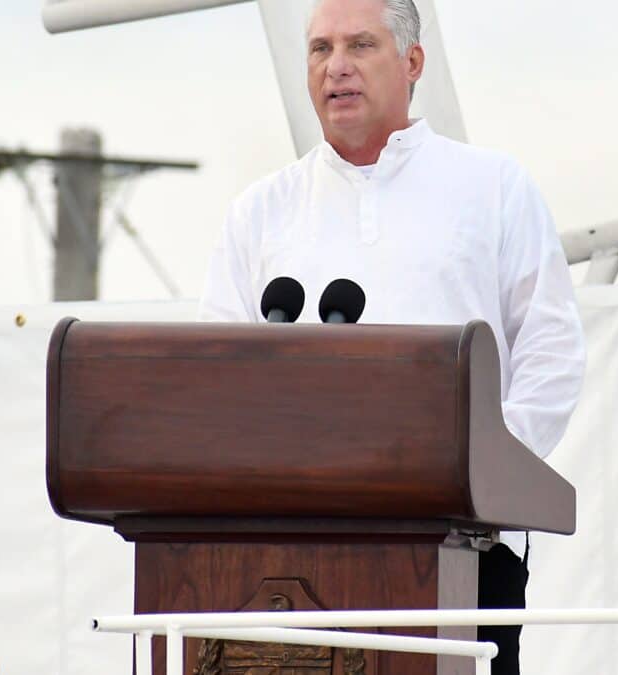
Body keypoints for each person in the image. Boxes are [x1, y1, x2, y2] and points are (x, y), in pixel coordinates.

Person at [198, 0, 586, 672]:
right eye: (319, 50)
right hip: (287, 561)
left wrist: (477, 477)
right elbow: (218, 381)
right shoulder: (260, 212)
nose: (336, 68)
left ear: (412, 63)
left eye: (359, 46)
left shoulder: (493, 187)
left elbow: (551, 355)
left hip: (467, 548)